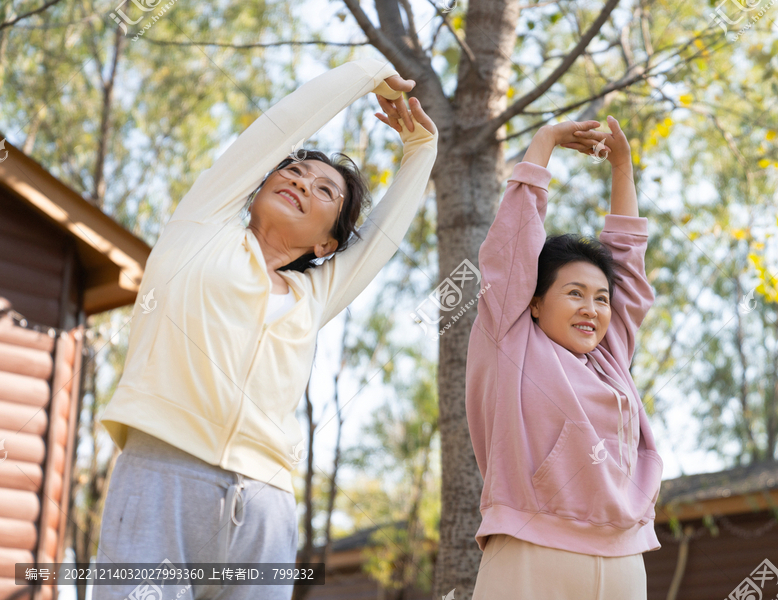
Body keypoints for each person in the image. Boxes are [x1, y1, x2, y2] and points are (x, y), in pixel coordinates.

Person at [94, 58, 437, 600]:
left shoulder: (315, 293)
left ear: (328, 243)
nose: (301, 182)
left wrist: (420, 151)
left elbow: (383, 239)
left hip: (265, 508)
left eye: (325, 191)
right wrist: (367, 73)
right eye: (292, 171)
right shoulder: (201, 229)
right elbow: (278, 127)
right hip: (163, 476)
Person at [466, 116, 662, 600]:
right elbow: (511, 245)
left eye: (600, 298)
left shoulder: (610, 357)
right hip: (532, 552)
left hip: (623, 557)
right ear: (533, 302)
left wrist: (622, 169)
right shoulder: (510, 340)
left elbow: (630, 272)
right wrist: (545, 141)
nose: (591, 309)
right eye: (574, 293)